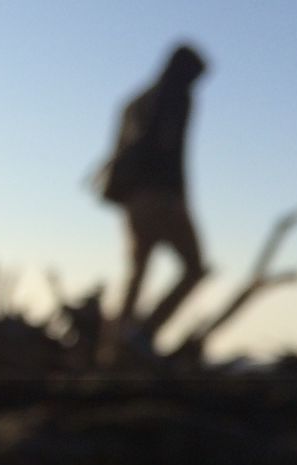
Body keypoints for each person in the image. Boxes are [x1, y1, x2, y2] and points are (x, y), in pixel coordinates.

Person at [95, 43, 209, 355]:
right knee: (195, 268)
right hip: (163, 197)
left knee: (137, 271)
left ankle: (112, 346)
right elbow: (172, 151)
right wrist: (180, 199)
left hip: (134, 200)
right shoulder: (177, 97)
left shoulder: (136, 102)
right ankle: (142, 335)